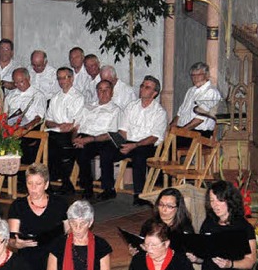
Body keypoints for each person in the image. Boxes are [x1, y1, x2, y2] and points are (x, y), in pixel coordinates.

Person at [100, 75, 167, 205]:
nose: (142, 89)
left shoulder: (159, 112)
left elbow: (154, 137)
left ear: (154, 93)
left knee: (139, 156)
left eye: (147, 87)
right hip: (129, 142)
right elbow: (123, 130)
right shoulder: (131, 106)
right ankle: (108, 189)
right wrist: (121, 144)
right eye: (142, 85)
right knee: (106, 150)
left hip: (147, 145)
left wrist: (135, 145)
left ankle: (139, 194)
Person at [188, 180, 257, 270]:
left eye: (219, 200)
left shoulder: (243, 227)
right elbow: (205, 256)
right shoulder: (208, 223)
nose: (215, 205)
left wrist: (230, 264)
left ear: (229, 200)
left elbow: (250, 261)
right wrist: (196, 258)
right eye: (212, 201)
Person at [72, 79, 121, 199]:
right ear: (97, 92)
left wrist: (90, 139)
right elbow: (76, 125)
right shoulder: (87, 107)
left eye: (106, 90)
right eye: (100, 90)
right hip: (85, 137)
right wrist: (75, 138)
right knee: (79, 151)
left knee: (106, 153)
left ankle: (108, 189)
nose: (103, 93)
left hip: (103, 139)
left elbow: (111, 134)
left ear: (112, 92)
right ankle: (87, 187)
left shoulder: (115, 110)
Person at [45, 67, 85, 193]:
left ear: (71, 79)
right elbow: (48, 120)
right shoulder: (55, 98)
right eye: (59, 78)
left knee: (54, 147)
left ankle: (63, 182)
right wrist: (58, 124)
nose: (61, 81)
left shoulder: (78, 97)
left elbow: (76, 122)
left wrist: (68, 127)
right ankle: (56, 182)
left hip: (71, 133)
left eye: (64, 77)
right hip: (55, 131)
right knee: (42, 145)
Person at [170, 61, 222, 141]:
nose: (195, 78)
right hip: (183, 131)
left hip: (198, 134)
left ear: (207, 75)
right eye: (193, 75)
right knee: (159, 139)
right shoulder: (191, 90)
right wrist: (171, 128)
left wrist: (180, 132)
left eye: (199, 75)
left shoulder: (211, 92)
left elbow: (199, 120)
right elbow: (179, 113)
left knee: (166, 146)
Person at [5, 68, 47, 165]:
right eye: (16, 83)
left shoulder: (38, 95)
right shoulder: (10, 96)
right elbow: (5, 115)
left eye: (21, 81)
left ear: (28, 78)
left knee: (15, 140)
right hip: (12, 126)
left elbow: (39, 118)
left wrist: (25, 127)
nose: (19, 85)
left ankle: (16, 170)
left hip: (30, 128)